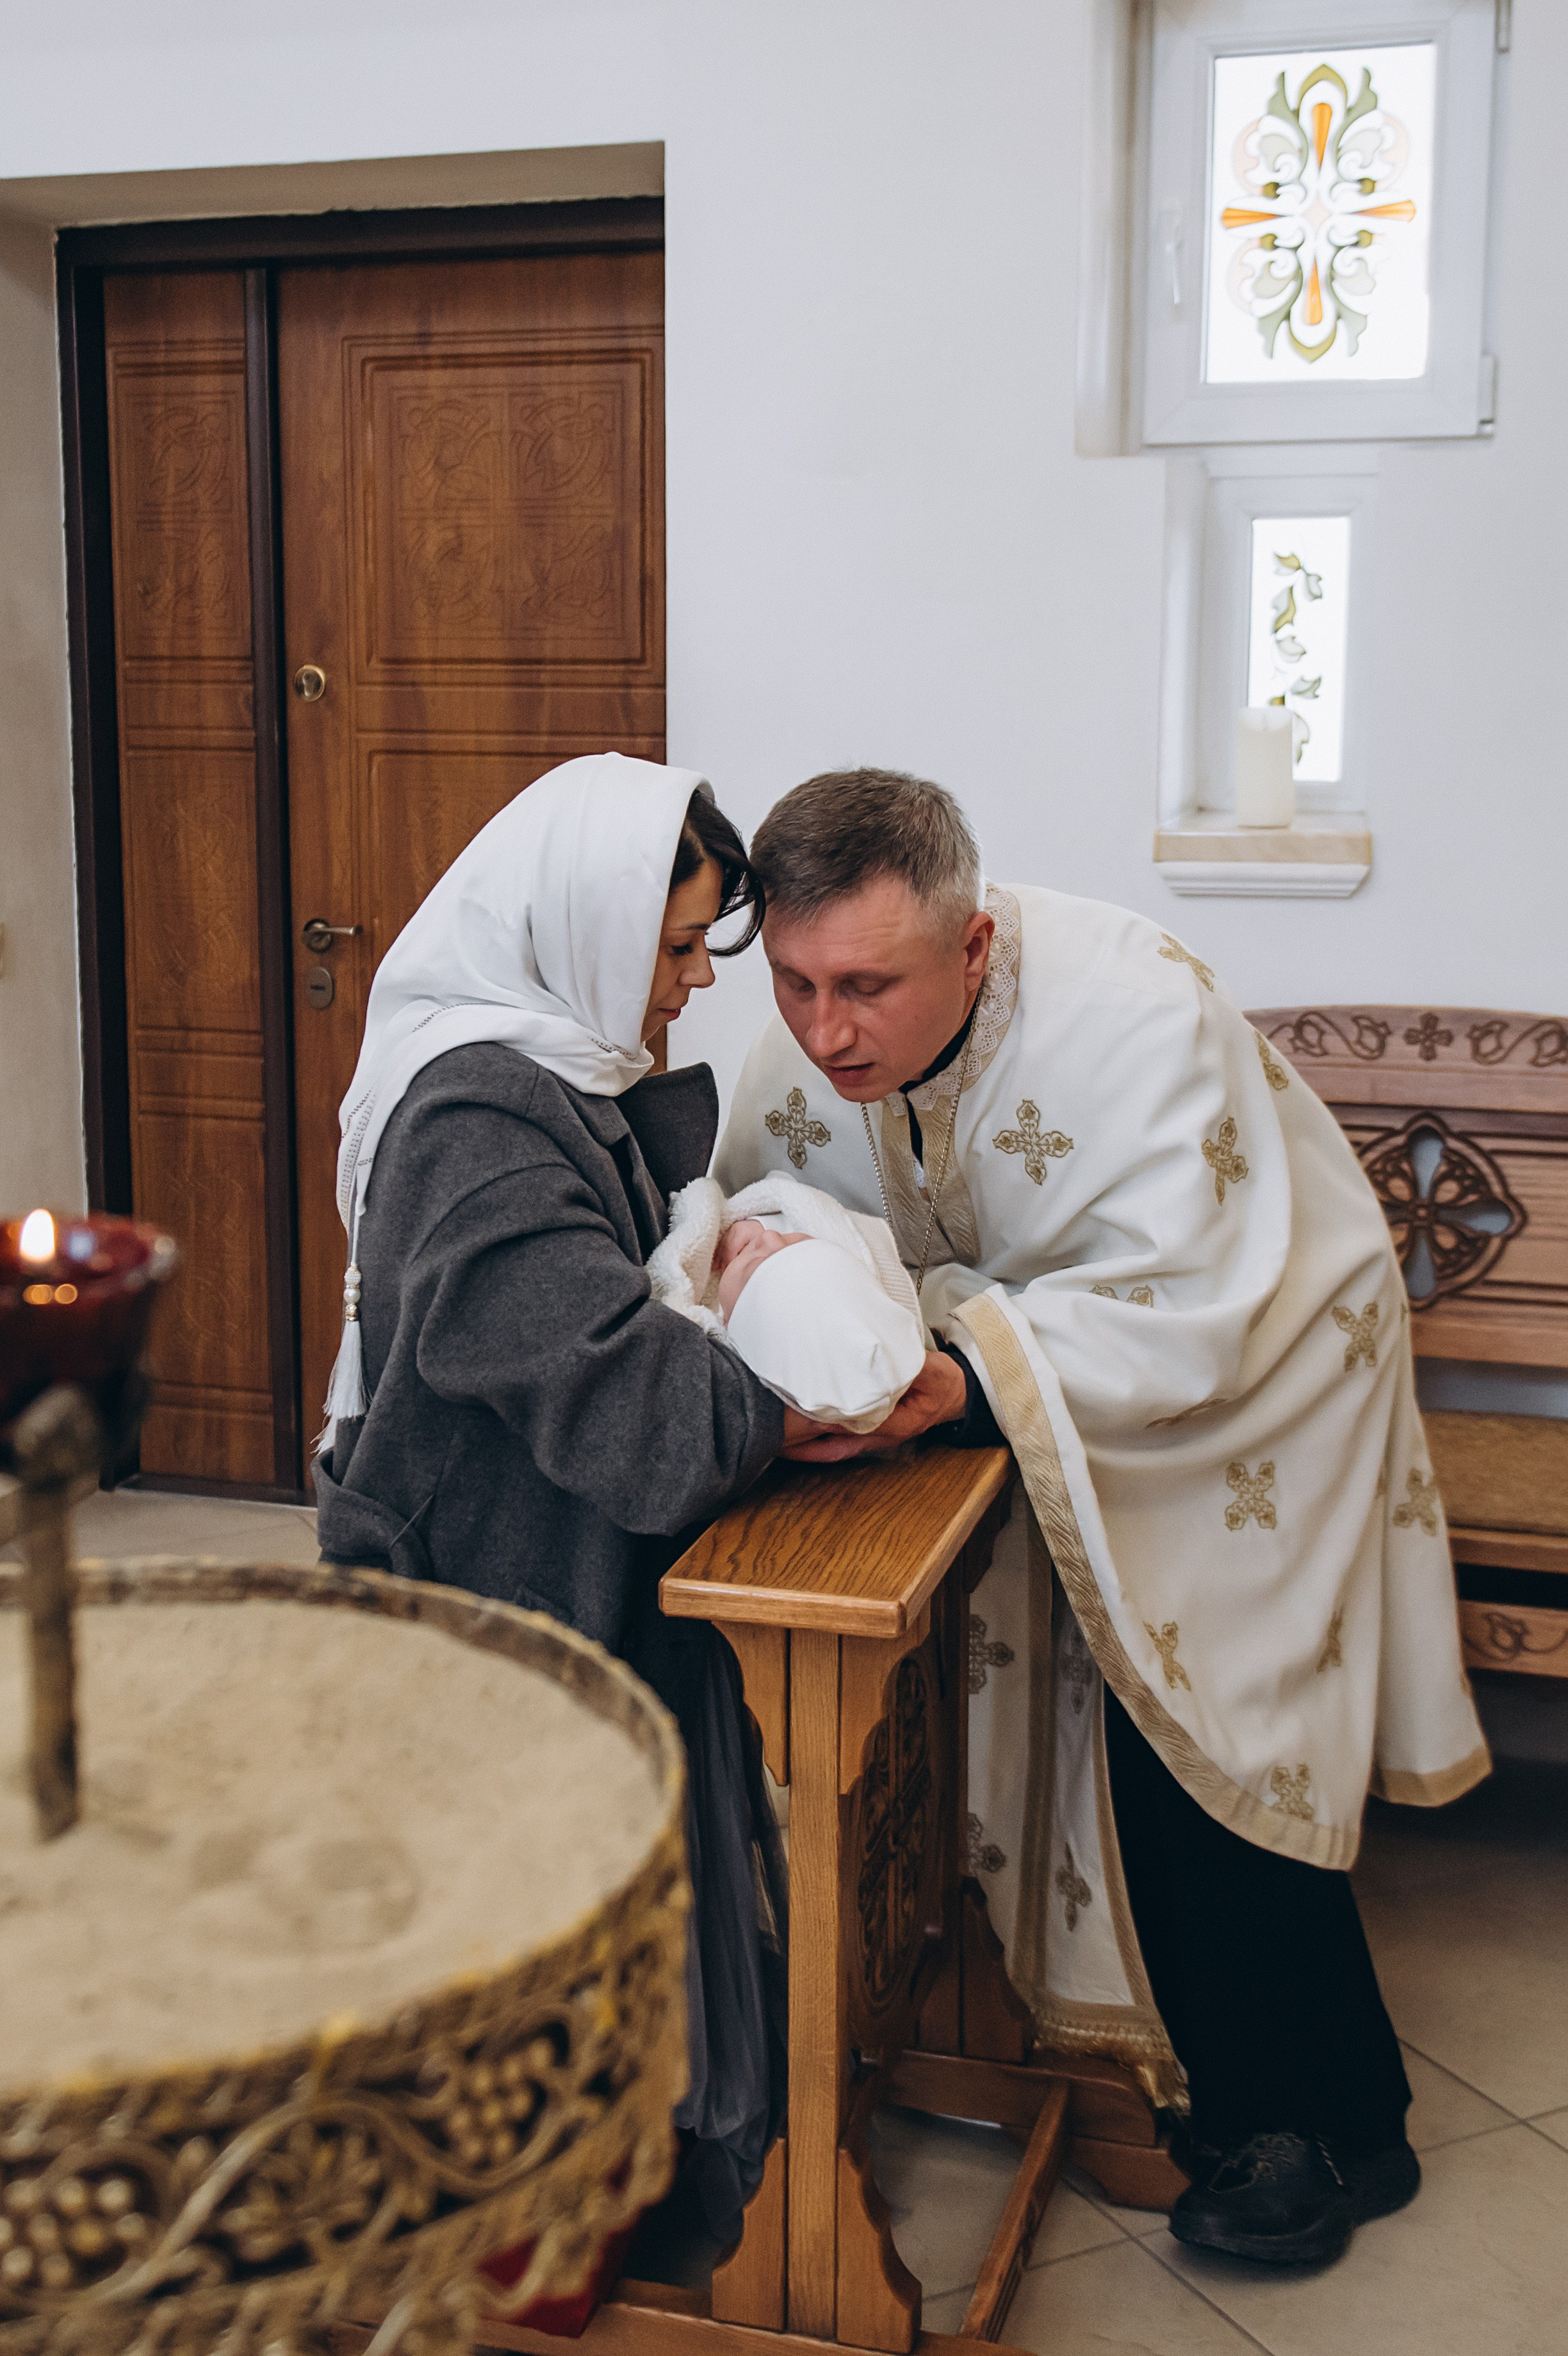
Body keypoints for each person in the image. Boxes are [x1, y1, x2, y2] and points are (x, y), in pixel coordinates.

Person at [714, 766, 1489, 2268]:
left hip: (1255, 1391)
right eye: (794, 983)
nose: (824, 1032)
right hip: (1040, 1399)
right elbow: (766, 1211)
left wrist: (959, 1372)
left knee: (1199, 1723)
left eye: (865, 987)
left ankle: (1326, 2125)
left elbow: (1194, 1299)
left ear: (972, 948)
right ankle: (1063, 2031)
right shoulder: (802, 1047)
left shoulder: (1133, 1015)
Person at [312, 751, 954, 2246]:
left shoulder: (559, 1077)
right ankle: (530, 2234)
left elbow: (647, 1298)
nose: (693, 981)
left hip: (560, 1567)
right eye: (673, 947)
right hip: (491, 1604)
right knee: (515, 1977)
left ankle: (618, 2192)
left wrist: (720, 1282)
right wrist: (775, 1382)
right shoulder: (477, 1126)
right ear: (580, 930)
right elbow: (627, 1400)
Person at [647, 1170, 927, 1431]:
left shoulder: (709, 1333)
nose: (770, 1239)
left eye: (753, 1265)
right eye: (798, 1243)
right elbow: (794, 1199)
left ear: (730, 1325)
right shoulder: (779, 1248)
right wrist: (762, 1219)